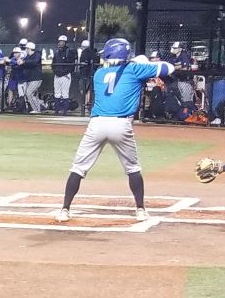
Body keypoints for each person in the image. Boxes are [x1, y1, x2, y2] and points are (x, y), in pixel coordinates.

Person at [56, 38, 177, 222]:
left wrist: (136, 64)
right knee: (132, 168)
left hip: (96, 124)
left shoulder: (99, 73)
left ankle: (64, 209)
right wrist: (143, 63)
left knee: (78, 168)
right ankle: (140, 210)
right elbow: (169, 68)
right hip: (121, 125)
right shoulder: (134, 69)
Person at [51, 35, 77, 115]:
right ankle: (57, 110)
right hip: (57, 75)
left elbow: (71, 65)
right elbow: (53, 63)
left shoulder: (69, 52)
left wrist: (64, 72)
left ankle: (65, 111)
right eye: (59, 41)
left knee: (65, 93)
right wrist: (56, 71)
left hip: (65, 75)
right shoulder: (57, 52)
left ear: (65, 43)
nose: (60, 43)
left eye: (62, 42)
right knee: (57, 93)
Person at [76, 39, 97, 114]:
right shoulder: (94, 53)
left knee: (84, 90)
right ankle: (86, 106)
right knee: (88, 91)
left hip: (85, 75)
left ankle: (85, 106)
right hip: (90, 74)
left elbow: (83, 65)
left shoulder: (85, 53)